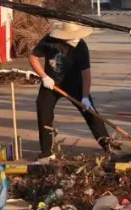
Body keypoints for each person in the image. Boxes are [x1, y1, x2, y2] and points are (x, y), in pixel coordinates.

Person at [29, 21, 112, 162]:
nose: (74, 40)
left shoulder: (81, 46)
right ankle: (47, 152)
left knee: (90, 113)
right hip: (52, 83)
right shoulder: (49, 40)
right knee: (43, 110)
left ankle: (109, 146)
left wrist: (85, 97)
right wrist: (44, 77)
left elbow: (86, 73)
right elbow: (33, 58)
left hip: (75, 84)